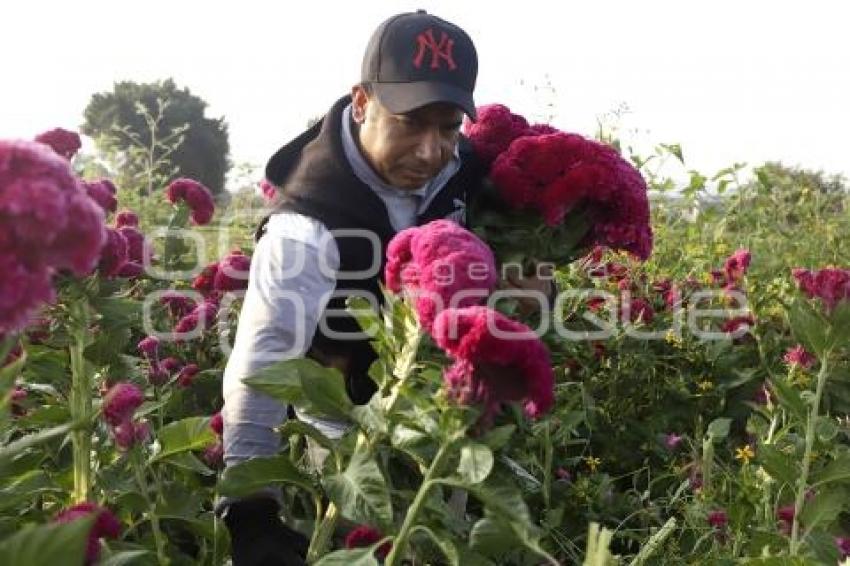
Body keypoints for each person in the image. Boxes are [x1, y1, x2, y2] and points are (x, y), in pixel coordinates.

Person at [218, 10, 487, 566]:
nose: (430, 150)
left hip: (440, 425)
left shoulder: (468, 174)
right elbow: (264, 362)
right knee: (358, 546)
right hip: (344, 431)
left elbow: (512, 258)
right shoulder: (306, 226)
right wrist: (251, 510)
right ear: (362, 102)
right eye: (411, 123)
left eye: (448, 126)